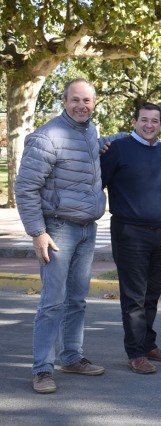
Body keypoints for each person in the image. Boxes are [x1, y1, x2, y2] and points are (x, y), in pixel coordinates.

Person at [15, 79, 108, 394]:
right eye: (75, 100)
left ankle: (71, 357)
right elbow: (26, 188)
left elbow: (88, 153)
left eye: (88, 100)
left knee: (77, 300)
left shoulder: (91, 132)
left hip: (86, 229)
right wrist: (37, 232)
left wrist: (116, 139)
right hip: (57, 230)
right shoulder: (47, 136)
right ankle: (42, 369)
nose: (82, 105)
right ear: (64, 101)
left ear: (94, 103)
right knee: (52, 302)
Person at [100, 102, 161, 374]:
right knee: (134, 297)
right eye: (144, 120)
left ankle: (148, 344)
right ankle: (135, 354)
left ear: (160, 125)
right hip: (129, 231)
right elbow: (96, 182)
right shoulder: (118, 149)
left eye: (154, 121)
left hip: (160, 231)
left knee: (152, 294)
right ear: (134, 122)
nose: (149, 125)